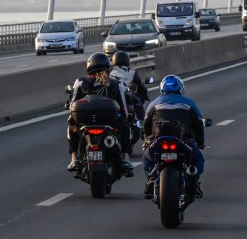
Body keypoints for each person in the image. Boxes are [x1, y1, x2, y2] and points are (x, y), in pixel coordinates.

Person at [66, 52, 135, 174]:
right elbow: (123, 106)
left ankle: (74, 158)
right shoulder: (116, 83)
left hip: (85, 120)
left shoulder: (81, 82)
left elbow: (73, 103)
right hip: (110, 121)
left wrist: (73, 119)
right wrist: (124, 117)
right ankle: (126, 158)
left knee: (71, 129)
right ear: (107, 66)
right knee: (125, 128)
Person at [141, 75, 205, 205]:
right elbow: (199, 123)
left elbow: (146, 122)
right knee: (198, 158)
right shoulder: (188, 102)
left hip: (159, 139)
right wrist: (201, 142)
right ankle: (193, 178)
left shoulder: (155, 102)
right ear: (180, 88)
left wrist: (147, 138)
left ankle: (151, 179)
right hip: (182, 140)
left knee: (147, 158)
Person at [109, 51, 150, 121]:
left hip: (113, 98)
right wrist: (144, 96)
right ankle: (142, 125)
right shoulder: (131, 72)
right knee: (138, 103)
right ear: (127, 60)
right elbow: (140, 86)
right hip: (126, 98)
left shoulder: (109, 71)